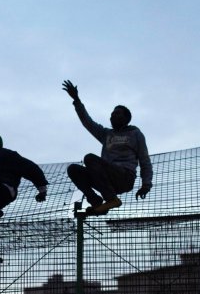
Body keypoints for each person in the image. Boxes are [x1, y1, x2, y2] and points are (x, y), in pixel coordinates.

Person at [62, 80, 152, 214]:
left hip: (124, 177)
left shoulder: (135, 134)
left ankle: (111, 199)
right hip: (105, 179)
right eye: (112, 114)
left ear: (126, 118)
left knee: (90, 158)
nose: (113, 116)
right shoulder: (106, 134)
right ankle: (96, 202)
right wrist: (76, 100)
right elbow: (88, 123)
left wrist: (146, 184)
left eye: (117, 114)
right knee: (74, 169)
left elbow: (145, 160)